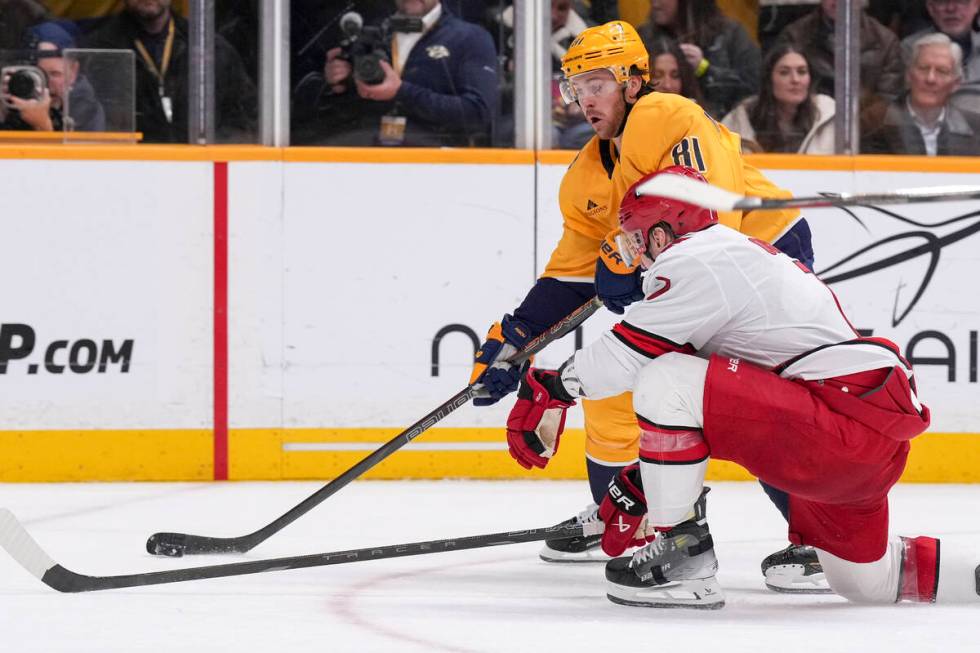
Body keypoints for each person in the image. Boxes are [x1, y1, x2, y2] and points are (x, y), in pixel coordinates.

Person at [508, 165, 980, 609]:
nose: (634, 257)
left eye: (636, 241)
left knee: (661, 374)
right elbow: (720, 403)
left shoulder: (698, 259)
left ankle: (683, 559)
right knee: (869, 582)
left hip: (835, 431)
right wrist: (645, 480)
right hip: (854, 447)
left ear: (659, 233)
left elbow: (629, 358)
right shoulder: (731, 257)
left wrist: (555, 385)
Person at [470, 20, 825, 595]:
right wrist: (513, 341)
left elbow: (710, 232)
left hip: (762, 263)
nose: (584, 99)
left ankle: (821, 539)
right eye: (575, 87)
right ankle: (632, 521)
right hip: (679, 276)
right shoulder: (587, 171)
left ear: (634, 81)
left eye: (598, 83)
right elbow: (571, 275)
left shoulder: (672, 118)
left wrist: (625, 274)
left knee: (755, 402)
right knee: (615, 397)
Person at [292, 0, 498, 147]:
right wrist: (335, 82)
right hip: (363, 157)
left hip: (436, 163)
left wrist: (401, 91)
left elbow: (479, 114)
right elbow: (318, 117)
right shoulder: (367, 35)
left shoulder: (469, 38)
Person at [83, 0, 257, 143]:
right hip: (127, 169)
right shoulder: (96, 51)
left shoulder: (211, 49)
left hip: (197, 170)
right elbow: (86, 125)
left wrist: (215, 145)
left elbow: (246, 119)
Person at [636, 0, 760, 118]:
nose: (655, 2)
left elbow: (755, 87)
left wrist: (705, 70)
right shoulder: (644, 37)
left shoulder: (730, 34)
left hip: (722, 127)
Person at [864, 33, 980, 156]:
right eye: (923, 68)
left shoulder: (976, 127)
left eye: (942, 71)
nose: (930, 79)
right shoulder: (874, 121)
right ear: (909, 75)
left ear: (956, 83)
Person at [775, 0, 904, 103]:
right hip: (810, 123)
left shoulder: (886, 41)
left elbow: (887, 100)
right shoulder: (794, 36)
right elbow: (786, 94)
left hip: (866, 127)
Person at [722, 43, 836, 154]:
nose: (795, 80)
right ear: (769, 80)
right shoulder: (741, 119)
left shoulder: (828, 115)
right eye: (784, 73)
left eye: (802, 72)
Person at [0, 21, 105, 132]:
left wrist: (42, 124)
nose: (46, 83)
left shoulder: (84, 107)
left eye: (55, 74)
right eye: (36, 74)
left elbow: (80, 149)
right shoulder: (8, 96)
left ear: (73, 72)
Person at [902, 0, 980, 115]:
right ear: (931, 9)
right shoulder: (912, 48)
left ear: (976, 6)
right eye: (941, 2)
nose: (951, 8)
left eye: (961, 1)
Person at [645, 35, 703, 103]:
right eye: (657, 76)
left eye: (675, 76)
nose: (667, 86)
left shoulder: (697, 112)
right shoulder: (633, 112)